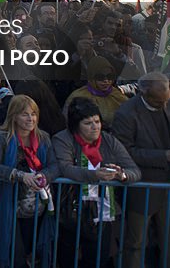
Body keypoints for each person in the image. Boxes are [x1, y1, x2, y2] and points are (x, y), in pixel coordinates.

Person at [112, 72, 170, 268]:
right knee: (136, 243)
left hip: (168, 184)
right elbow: (125, 152)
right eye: (159, 102)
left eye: (167, 100)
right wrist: (163, 156)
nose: (164, 105)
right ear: (144, 93)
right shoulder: (126, 114)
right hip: (142, 187)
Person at [52, 98, 141, 268]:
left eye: (97, 121)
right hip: (72, 208)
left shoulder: (109, 140)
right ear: (76, 125)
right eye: (88, 123)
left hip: (101, 210)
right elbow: (66, 168)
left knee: (97, 259)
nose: (95, 127)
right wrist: (95, 175)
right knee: (66, 257)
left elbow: (134, 171)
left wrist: (121, 175)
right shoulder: (62, 139)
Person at [0, 94, 60, 268]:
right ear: (14, 116)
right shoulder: (1, 137)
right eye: (25, 114)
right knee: (15, 254)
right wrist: (20, 175)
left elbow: (55, 166)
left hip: (38, 205)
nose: (30, 118)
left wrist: (44, 175)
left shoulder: (44, 138)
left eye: (33, 114)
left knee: (32, 252)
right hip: (10, 203)